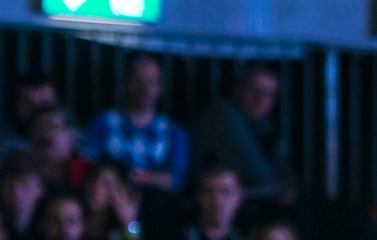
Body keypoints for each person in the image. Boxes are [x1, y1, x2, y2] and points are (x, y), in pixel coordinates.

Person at [84, 54, 189, 203]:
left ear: (161, 87)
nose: (145, 88)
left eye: (152, 81)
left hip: (159, 209)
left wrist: (134, 177)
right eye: (138, 80)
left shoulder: (173, 132)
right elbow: (89, 171)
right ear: (124, 83)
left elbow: (177, 180)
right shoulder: (103, 124)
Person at [190, 64, 295, 208]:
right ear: (238, 89)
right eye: (255, 90)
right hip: (204, 205)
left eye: (269, 94)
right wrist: (278, 188)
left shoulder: (263, 126)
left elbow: (284, 173)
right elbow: (259, 173)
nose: (262, 99)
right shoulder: (224, 116)